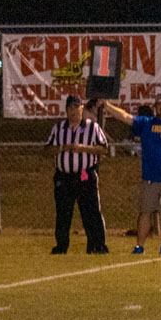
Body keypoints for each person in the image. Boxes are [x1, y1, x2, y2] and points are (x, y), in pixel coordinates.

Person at [101, 91, 161, 255]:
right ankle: (139, 246)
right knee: (145, 212)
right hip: (150, 177)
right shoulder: (147, 123)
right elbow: (126, 117)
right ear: (155, 106)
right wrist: (107, 106)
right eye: (159, 104)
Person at [46, 95, 109, 254]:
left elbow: (103, 148)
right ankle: (61, 246)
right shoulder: (58, 128)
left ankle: (97, 245)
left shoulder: (92, 127)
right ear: (66, 110)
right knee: (63, 213)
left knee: (91, 212)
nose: (73, 112)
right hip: (64, 176)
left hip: (85, 175)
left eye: (76, 108)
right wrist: (62, 148)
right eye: (70, 108)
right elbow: (47, 149)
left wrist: (83, 148)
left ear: (82, 109)